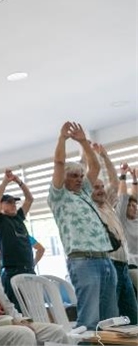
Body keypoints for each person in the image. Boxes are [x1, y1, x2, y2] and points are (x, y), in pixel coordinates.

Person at [47, 121, 118, 330]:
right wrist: (62, 138)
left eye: (80, 176)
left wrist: (83, 142)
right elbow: (59, 163)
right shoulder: (58, 196)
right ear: (63, 179)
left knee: (110, 320)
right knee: (89, 320)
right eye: (73, 176)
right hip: (83, 260)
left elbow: (94, 166)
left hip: (105, 259)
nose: (79, 179)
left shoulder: (85, 192)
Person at [0, 231, 71, 346]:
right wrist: (11, 321)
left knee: (56, 331)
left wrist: (21, 320)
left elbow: (7, 305)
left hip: (6, 323)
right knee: (24, 333)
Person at [91, 144, 137, 325]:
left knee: (132, 316)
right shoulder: (92, 208)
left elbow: (114, 181)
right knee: (113, 317)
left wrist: (105, 155)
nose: (101, 190)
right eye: (96, 187)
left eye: (102, 187)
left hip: (123, 266)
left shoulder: (108, 206)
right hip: (109, 265)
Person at [0, 169, 34, 312]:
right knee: (17, 310)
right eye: (9, 202)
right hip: (12, 271)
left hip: (29, 269)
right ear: (2, 206)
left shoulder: (19, 218)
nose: (13, 204)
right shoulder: (0, 221)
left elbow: (29, 199)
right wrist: (5, 181)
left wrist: (18, 181)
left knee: (32, 308)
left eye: (14, 202)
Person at [117, 164, 138, 294]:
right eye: (130, 206)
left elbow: (135, 195)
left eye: (135, 205)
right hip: (133, 265)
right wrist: (123, 176)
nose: (134, 207)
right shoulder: (122, 220)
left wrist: (134, 179)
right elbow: (123, 198)